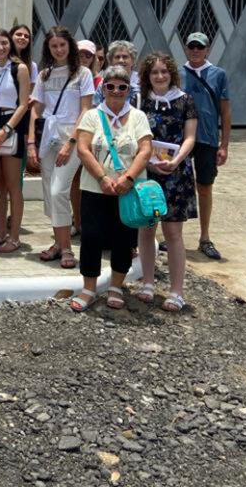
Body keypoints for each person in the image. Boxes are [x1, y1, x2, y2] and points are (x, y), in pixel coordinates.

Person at [71, 64, 153, 312]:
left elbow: (145, 149)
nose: (116, 91)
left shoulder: (138, 117)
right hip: (95, 187)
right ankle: (89, 287)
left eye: (122, 86)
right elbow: (83, 148)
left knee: (124, 238)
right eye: (110, 86)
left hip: (126, 188)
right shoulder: (92, 116)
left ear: (129, 89)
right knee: (92, 237)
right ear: (102, 88)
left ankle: (116, 285)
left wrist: (127, 178)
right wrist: (101, 177)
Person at [135, 52, 198, 312]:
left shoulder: (185, 101)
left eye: (164, 71)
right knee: (147, 229)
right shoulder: (140, 102)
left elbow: (190, 137)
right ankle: (148, 282)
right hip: (148, 172)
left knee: (173, 233)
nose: (160, 76)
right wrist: (146, 162)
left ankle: (176, 291)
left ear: (172, 73)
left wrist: (176, 161)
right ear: (147, 77)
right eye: (154, 72)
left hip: (176, 174)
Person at [27, 26, 94, 269]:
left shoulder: (82, 74)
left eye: (62, 45)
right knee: (49, 191)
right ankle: (58, 243)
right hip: (47, 137)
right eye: (53, 46)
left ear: (70, 46)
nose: (58, 49)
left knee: (58, 191)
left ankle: (66, 249)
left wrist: (72, 141)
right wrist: (31, 142)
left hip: (71, 136)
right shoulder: (44, 75)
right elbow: (36, 108)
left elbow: (86, 109)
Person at [181, 32, 230, 261]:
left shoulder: (218, 75)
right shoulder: (177, 73)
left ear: (207, 49)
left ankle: (205, 236)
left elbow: (225, 111)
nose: (195, 51)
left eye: (199, 47)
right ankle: (174, 235)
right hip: (180, 140)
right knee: (178, 186)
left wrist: (224, 144)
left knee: (205, 187)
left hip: (207, 139)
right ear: (186, 48)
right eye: (191, 46)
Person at [0, 29, 30, 254]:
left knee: (13, 185)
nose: (0, 47)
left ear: (9, 44)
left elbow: (23, 104)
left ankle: (15, 236)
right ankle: (0, 232)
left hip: (12, 128)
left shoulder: (19, 68)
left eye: (4, 43)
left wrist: (8, 129)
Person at [70, 39, 101, 236]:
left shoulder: (100, 81)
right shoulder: (69, 76)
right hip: (72, 133)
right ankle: (77, 220)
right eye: (80, 54)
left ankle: (91, 222)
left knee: (92, 179)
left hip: (94, 136)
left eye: (88, 55)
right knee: (74, 181)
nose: (84, 58)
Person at [92, 40, 139, 104]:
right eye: (117, 57)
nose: (121, 60)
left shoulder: (140, 81)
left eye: (125, 57)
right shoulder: (103, 82)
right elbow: (95, 105)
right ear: (111, 61)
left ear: (132, 60)